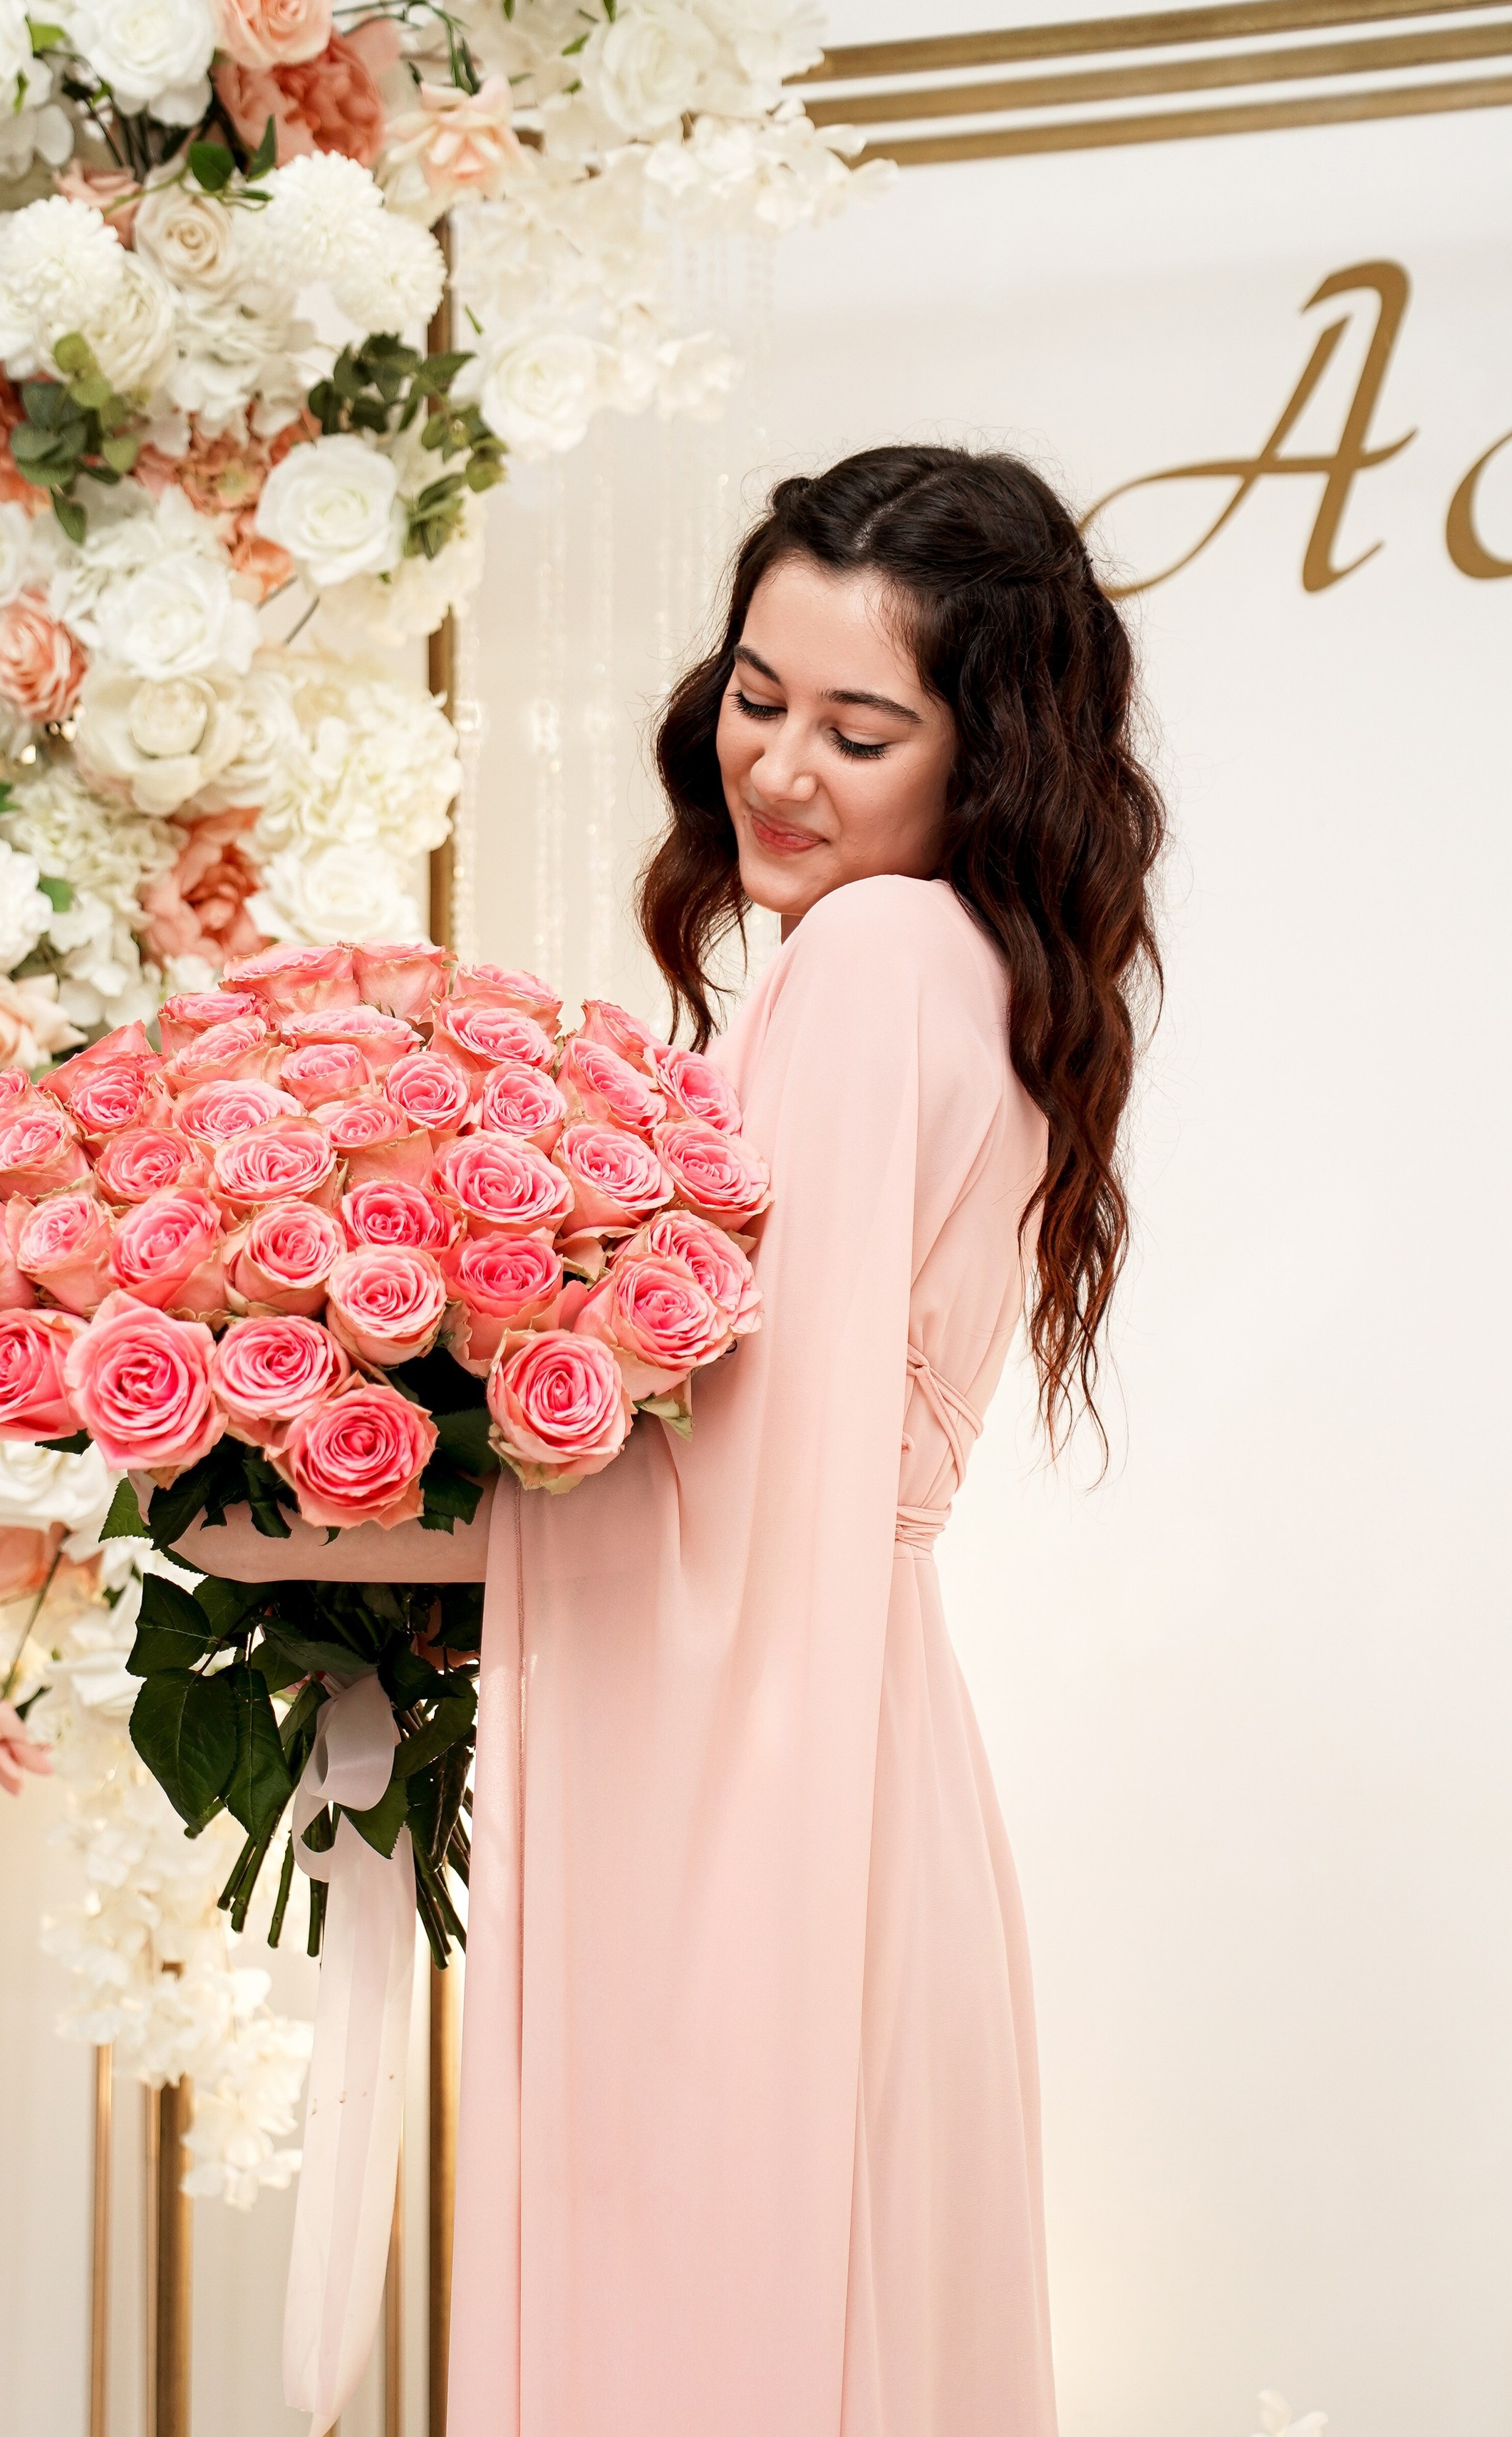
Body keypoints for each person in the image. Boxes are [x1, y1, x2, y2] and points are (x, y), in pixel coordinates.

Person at [447, 445, 1165, 2436]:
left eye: (861, 729)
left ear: (985, 754)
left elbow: (754, 1481)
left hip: (769, 1792)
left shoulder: (870, 962)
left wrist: (390, 1509)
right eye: (759, 697)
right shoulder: (990, 980)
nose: (779, 769)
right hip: (848, 1756)